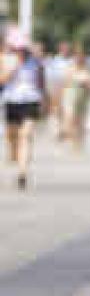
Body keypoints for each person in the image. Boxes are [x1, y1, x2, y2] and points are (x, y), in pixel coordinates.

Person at [0, 34, 46, 189]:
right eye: (18, 49)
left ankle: (22, 173)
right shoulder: (5, 60)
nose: (20, 51)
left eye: (23, 49)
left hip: (31, 101)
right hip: (12, 101)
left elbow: (41, 82)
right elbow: (2, 80)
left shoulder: (36, 62)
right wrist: (13, 69)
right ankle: (17, 158)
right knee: (12, 136)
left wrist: (44, 101)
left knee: (25, 135)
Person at [60, 48, 90, 156]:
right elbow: (65, 84)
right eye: (77, 57)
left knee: (80, 122)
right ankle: (73, 142)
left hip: (82, 99)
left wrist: (86, 85)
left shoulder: (86, 69)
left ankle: (80, 142)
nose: (78, 59)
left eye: (80, 57)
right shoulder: (70, 68)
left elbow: (89, 86)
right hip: (70, 98)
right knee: (71, 120)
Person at [44, 42, 73, 142]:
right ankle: (58, 130)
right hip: (57, 87)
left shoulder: (71, 61)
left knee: (67, 110)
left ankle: (65, 130)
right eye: (64, 48)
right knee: (57, 110)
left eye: (67, 48)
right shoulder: (55, 61)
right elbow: (50, 76)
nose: (66, 50)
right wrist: (52, 90)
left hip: (69, 87)